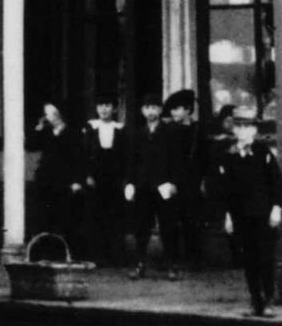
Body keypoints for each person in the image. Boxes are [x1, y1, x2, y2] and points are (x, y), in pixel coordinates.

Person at [211, 105, 282, 317]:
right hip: (240, 214)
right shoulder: (228, 155)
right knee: (249, 258)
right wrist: (227, 215)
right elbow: (223, 188)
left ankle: (268, 298)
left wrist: (276, 208)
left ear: (254, 130)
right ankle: (255, 300)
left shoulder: (263, 152)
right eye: (239, 127)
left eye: (248, 127)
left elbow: (277, 183)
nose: (243, 131)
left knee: (265, 257)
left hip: (263, 214)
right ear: (234, 130)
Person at [121, 92, 183, 279]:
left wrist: (174, 183)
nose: (150, 112)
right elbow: (131, 161)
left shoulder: (171, 131)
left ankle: (173, 265)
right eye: (147, 108)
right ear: (142, 111)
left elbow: (177, 160)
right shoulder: (137, 133)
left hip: (164, 186)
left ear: (160, 110)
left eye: (154, 108)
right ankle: (140, 264)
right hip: (143, 186)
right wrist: (130, 183)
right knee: (141, 226)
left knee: (168, 226)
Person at [28, 99, 90, 250]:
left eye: (52, 113)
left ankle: (65, 252)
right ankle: (45, 251)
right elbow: (30, 146)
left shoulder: (73, 133)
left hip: (65, 181)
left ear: (59, 114)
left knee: (65, 218)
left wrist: (78, 180)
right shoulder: (45, 132)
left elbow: (80, 159)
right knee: (43, 217)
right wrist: (38, 129)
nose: (49, 117)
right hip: (45, 180)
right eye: (47, 114)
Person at [163, 90, 208, 268]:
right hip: (173, 181)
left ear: (188, 110)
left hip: (192, 181)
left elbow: (205, 157)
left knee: (192, 220)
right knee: (170, 221)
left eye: (177, 109)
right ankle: (171, 258)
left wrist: (203, 180)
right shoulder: (168, 130)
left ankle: (193, 258)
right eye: (172, 110)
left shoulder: (198, 130)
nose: (174, 113)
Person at [82, 94, 126, 263]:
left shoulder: (120, 129)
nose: (104, 109)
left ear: (114, 108)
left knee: (114, 216)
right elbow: (84, 154)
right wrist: (87, 175)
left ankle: (116, 256)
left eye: (107, 105)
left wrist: (123, 179)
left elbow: (124, 156)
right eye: (100, 105)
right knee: (95, 215)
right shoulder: (91, 128)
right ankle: (96, 255)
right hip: (95, 178)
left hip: (114, 178)